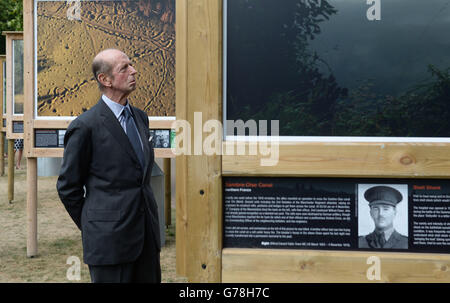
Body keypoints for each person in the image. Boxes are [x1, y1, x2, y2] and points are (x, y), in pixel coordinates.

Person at [57, 49, 161, 283]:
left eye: (131, 65)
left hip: (147, 239)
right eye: (124, 68)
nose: (134, 71)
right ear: (105, 80)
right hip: (109, 245)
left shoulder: (141, 118)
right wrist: (96, 225)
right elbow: (68, 188)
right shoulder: (85, 127)